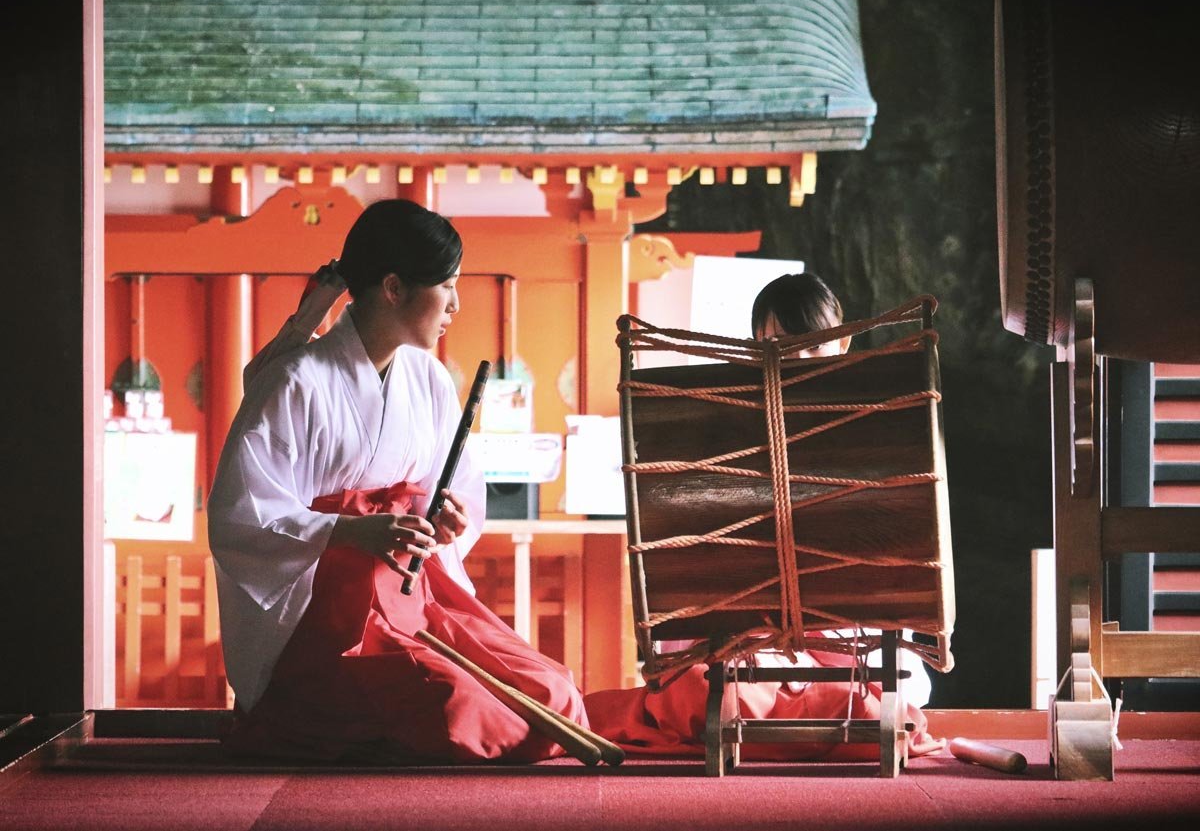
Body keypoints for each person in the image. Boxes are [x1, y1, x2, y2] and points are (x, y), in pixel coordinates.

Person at [207, 198, 586, 764]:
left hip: (412, 599)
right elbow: (241, 514)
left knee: (551, 694)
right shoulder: (296, 381)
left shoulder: (427, 378)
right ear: (392, 287)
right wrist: (351, 532)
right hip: (325, 621)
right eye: (448, 286)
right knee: (458, 707)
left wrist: (449, 517)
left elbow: (451, 486)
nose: (457, 304)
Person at [585, 271, 942, 762]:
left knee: (880, 712)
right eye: (773, 345)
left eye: (807, 346)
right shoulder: (719, 419)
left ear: (842, 343)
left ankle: (802, 715)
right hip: (745, 634)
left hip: (841, 640)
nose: (789, 360)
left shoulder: (876, 420)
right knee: (705, 693)